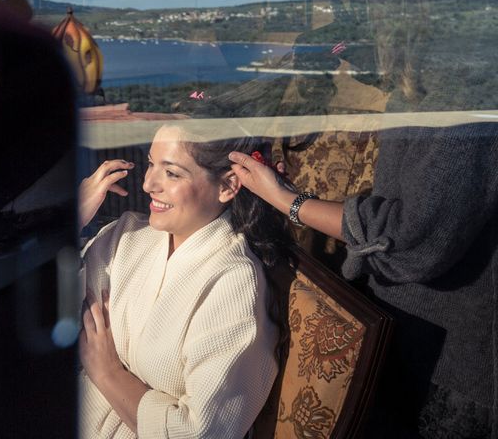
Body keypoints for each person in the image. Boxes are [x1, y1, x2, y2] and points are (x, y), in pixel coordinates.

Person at [229, 121, 498, 438]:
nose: (151, 184)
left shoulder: (468, 98)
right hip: (395, 328)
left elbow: (412, 237)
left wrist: (289, 202)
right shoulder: (427, 85)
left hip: (444, 364)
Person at [77, 124, 295, 438]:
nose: (149, 184)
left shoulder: (234, 285)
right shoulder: (125, 236)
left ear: (227, 185)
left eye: (172, 173)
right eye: (151, 164)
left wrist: (108, 373)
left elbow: (197, 432)